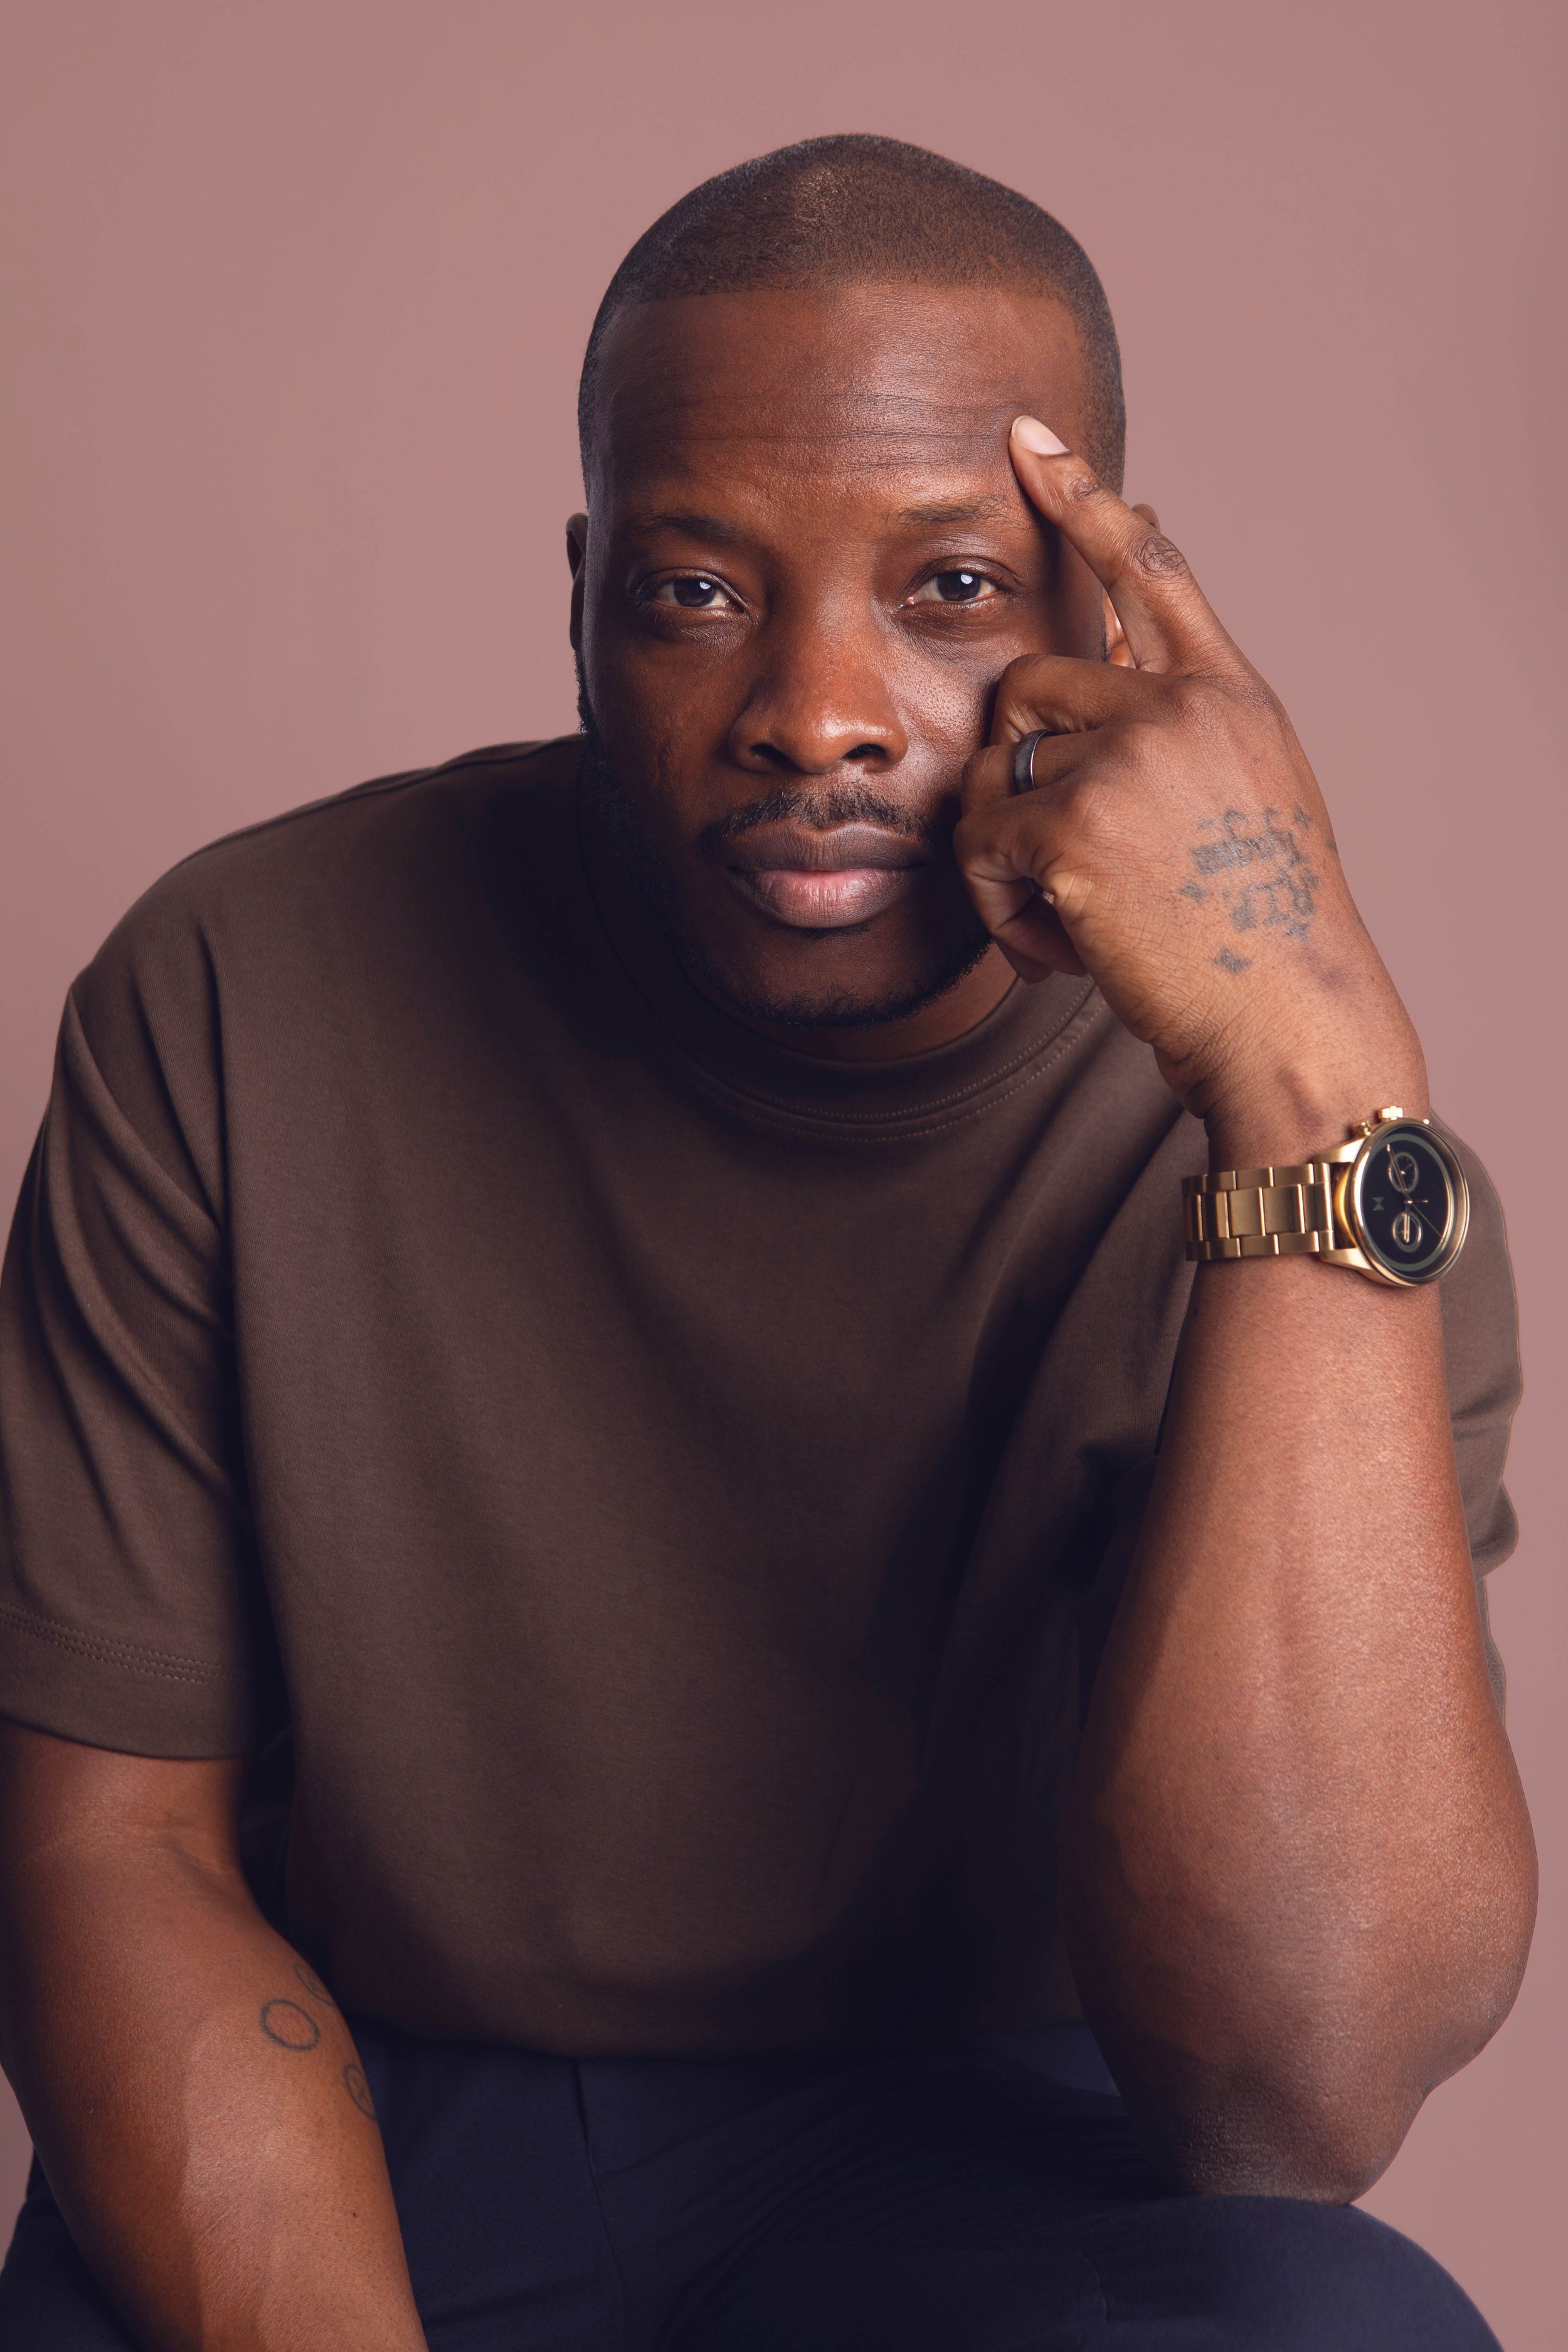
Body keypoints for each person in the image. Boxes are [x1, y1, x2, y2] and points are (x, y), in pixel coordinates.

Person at [0, 134, 1534, 2351]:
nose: (814, 715)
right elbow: (109, 1848)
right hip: (355, 2124)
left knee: (1334, 2325)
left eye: (950, 590)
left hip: (973, 2174)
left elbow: (1291, 2099)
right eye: (696, 592)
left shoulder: (1319, 1142)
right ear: (581, 604)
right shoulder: (243, 985)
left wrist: (1302, 1080)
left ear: (1104, 631)